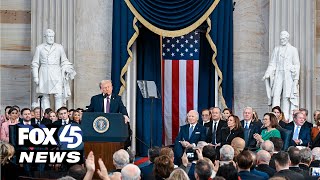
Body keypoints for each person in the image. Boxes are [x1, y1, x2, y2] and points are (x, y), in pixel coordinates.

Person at [32, 29, 76, 111]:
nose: (51, 38)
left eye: (52, 36)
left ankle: (59, 115)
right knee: (45, 95)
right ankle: (46, 115)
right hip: (44, 72)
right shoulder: (40, 48)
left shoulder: (59, 47)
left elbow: (64, 60)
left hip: (56, 72)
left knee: (59, 95)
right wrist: (36, 77)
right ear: (45, 37)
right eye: (49, 36)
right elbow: (35, 63)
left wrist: (67, 68)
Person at [263, 31, 300, 122]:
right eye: (281, 39)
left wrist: (295, 79)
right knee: (275, 94)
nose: (282, 40)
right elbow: (272, 63)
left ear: (287, 38)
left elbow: (297, 64)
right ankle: (273, 118)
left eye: (284, 39)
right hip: (278, 74)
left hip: (288, 76)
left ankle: (286, 118)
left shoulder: (293, 50)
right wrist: (267, 73)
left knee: (286, 97)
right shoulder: (276, 49)